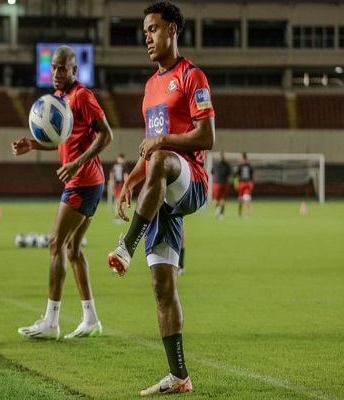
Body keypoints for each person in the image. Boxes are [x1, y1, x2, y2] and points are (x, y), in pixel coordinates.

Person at [107, 1, 215, 396]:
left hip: (191, 181)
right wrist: (129, 182)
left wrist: (161, 144)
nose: (147, 38)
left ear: (172, 29)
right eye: (145, 32)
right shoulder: (151, 88)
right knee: (162, 285)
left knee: (165, 158)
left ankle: (126, 244)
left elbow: (206, 137)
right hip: (162, 186)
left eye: (153, 29)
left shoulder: (192, 76)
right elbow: (150, 154)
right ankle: (179, 376)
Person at [13, 45, 113, 340]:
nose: (56, 73)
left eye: (61, 68)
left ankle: (51, 321)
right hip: (87, 180)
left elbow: (107, 134)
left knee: (56, 244)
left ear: (74, 70)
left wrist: (77, 163)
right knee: (72, 249)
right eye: (53, 68)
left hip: (83, 180)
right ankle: (91, 318)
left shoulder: (82, 96)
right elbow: (62, 140)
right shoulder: (58, 99)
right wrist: (33, 144)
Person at [211, 150, 232, 219]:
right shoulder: (227, 165)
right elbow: (230, 173)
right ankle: (221, 213)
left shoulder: (216, 164)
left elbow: (212, 172)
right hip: (224, 183)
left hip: (217, 183)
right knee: (223, 199)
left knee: (216, 200)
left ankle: (217, 210)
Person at [108, 153, 129, 223]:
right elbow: (126, 177)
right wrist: (128, 186)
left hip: (115, 185)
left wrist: (111, 183)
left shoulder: (114, 166)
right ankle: (120, 216)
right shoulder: (124, 167)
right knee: (123, 201)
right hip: (122, 185)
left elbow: (111, 176)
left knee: (117, 200)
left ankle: (117, 217)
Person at [234, 152, 254, 217]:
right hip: (242, 184)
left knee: (247, 199)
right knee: (241, 200)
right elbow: (235, 175)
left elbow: (252, 176)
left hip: (246, 184)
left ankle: (247, 213)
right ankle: (240, 212)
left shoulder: (247, 166)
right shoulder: (241, 166)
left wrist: (251, 183)